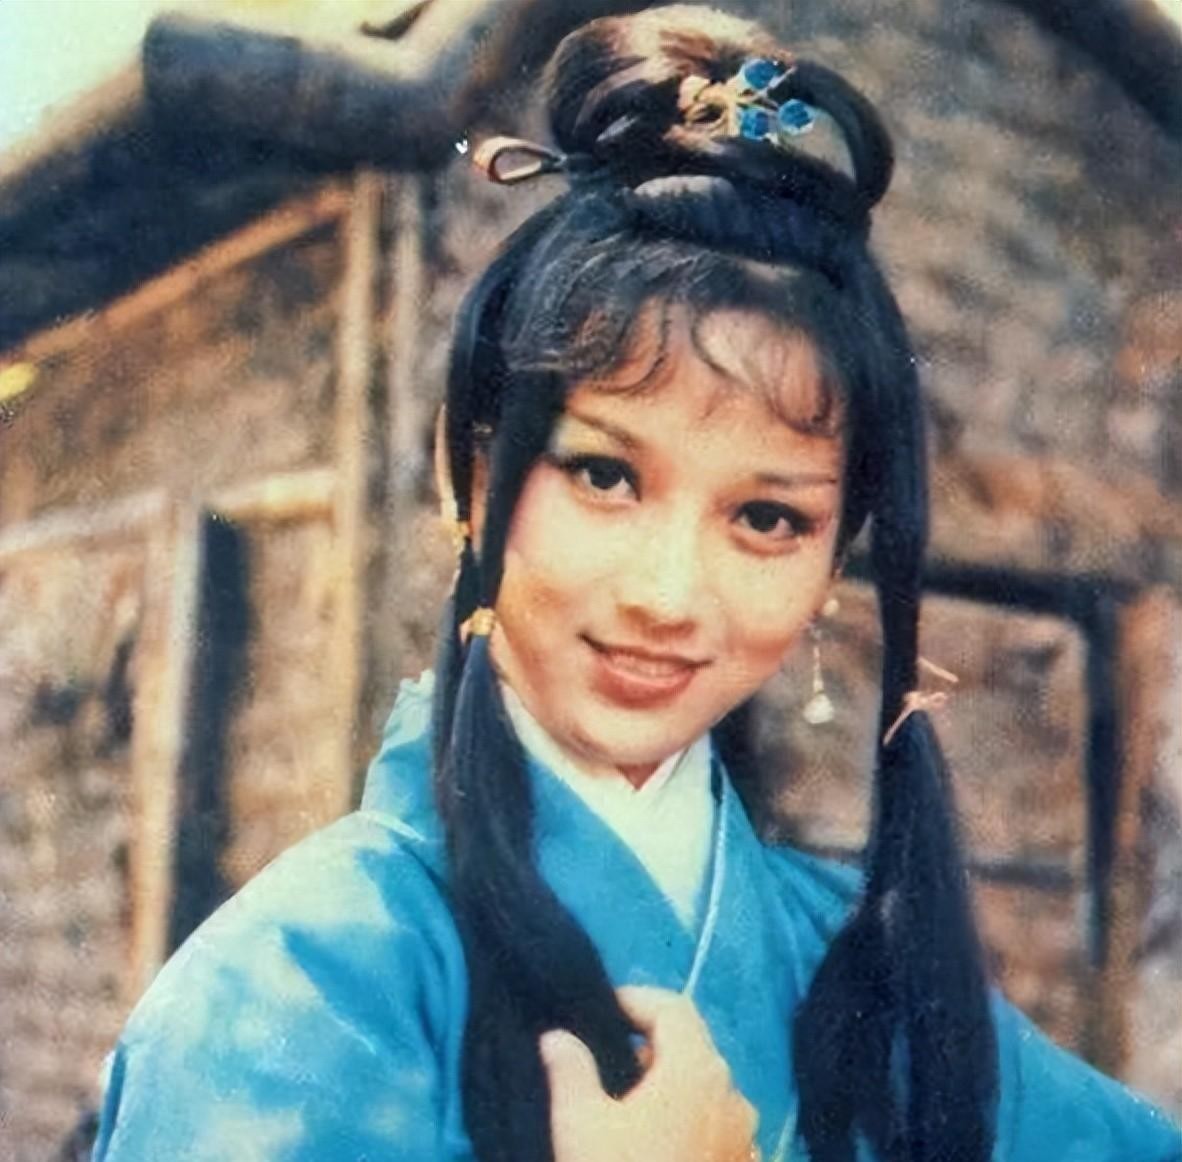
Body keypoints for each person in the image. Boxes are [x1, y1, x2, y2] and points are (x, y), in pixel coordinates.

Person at [92, 7, 1181, 1162]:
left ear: (832, 562)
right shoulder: (299, 988)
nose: (668, 592)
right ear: (470, 479)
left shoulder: (871, 974)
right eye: (605, 476)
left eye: (767, 517)